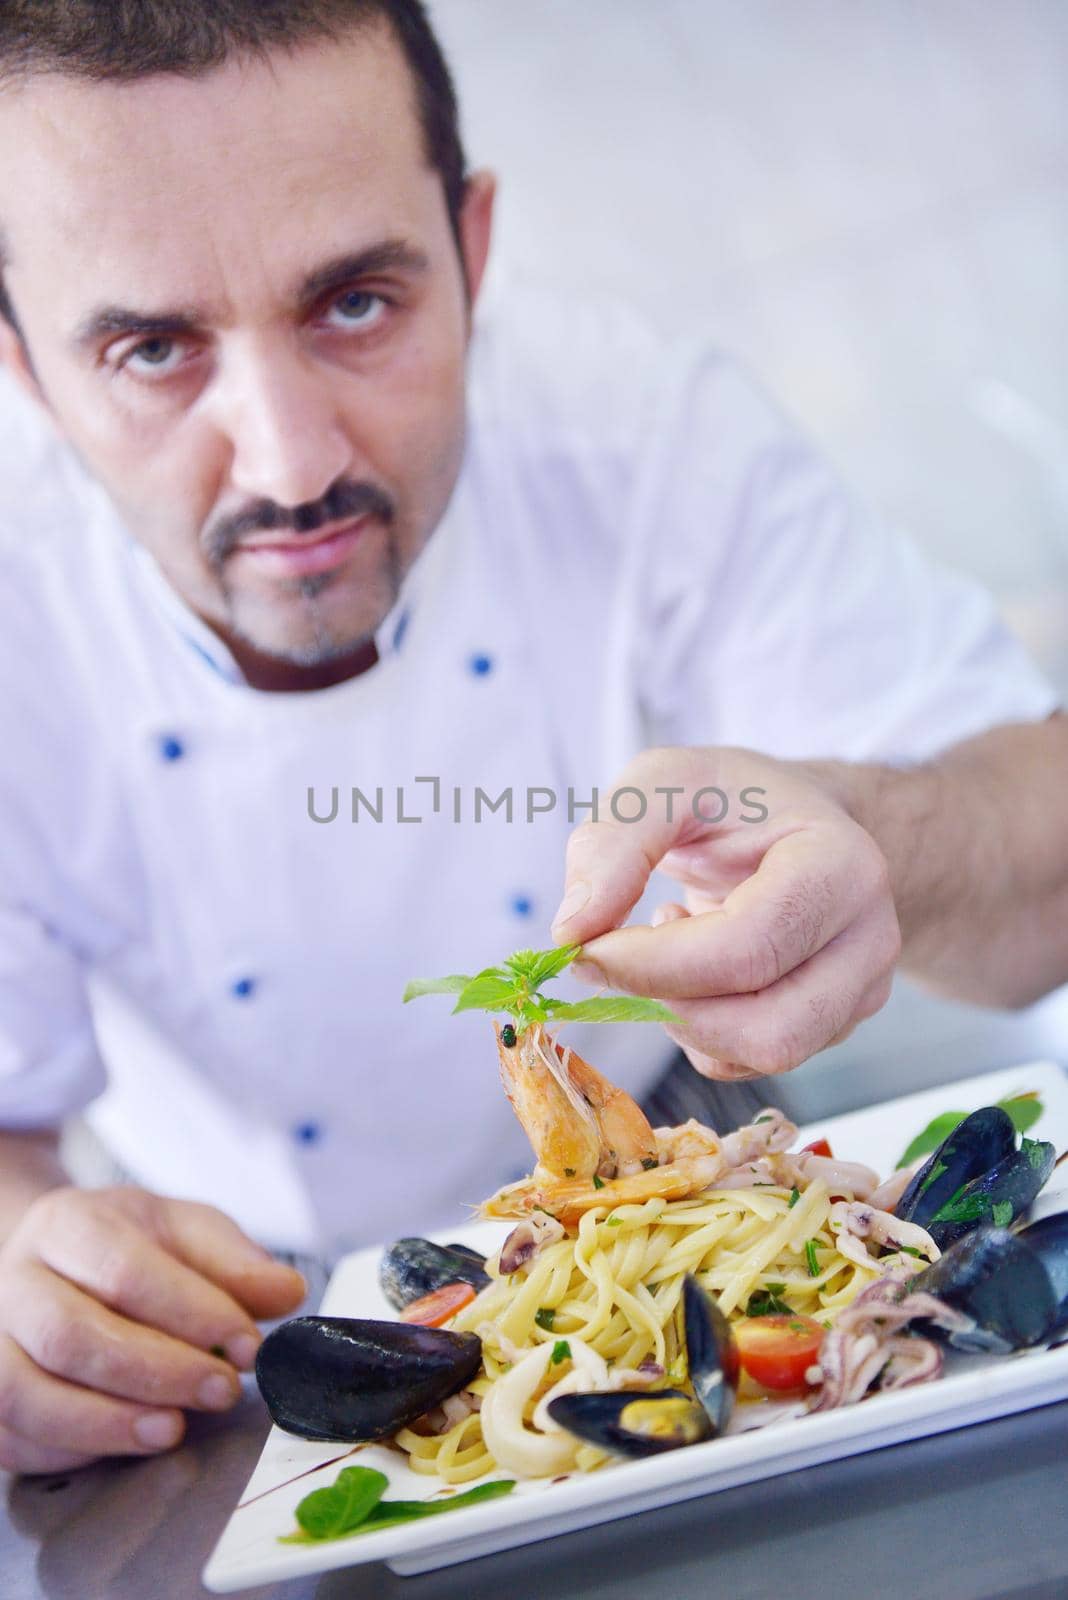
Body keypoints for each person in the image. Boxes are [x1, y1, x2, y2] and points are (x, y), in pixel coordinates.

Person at [0, 1, 1060, 1476]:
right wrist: (24, 1269)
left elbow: (1042, 828)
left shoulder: (640, 437)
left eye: (357, 301)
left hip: (706, 1190)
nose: (293, 459)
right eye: (153, 348)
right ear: (26, 369)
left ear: (472, 248)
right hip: (258, 1325)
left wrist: (863, 833)